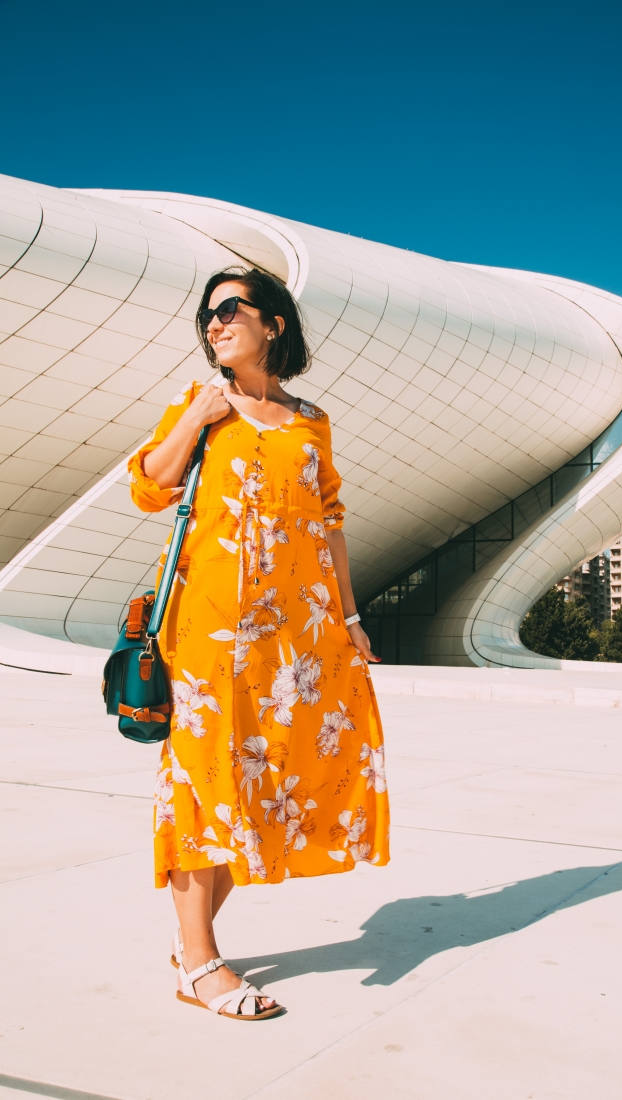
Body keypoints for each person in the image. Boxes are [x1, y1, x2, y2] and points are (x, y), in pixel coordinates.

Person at [128, 267, 390, 1020]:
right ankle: (200, 961)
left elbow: (329, 523)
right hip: (209, 632)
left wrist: (347, 619)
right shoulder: (202, 405)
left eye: (230, 309)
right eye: (207, 315)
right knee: (201, 788)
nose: (214, 323)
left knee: (261, 788)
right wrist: (193, 419)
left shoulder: (311, 420)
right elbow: (150, 487)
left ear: (272, 323)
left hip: (296, 644)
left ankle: (191, 948)